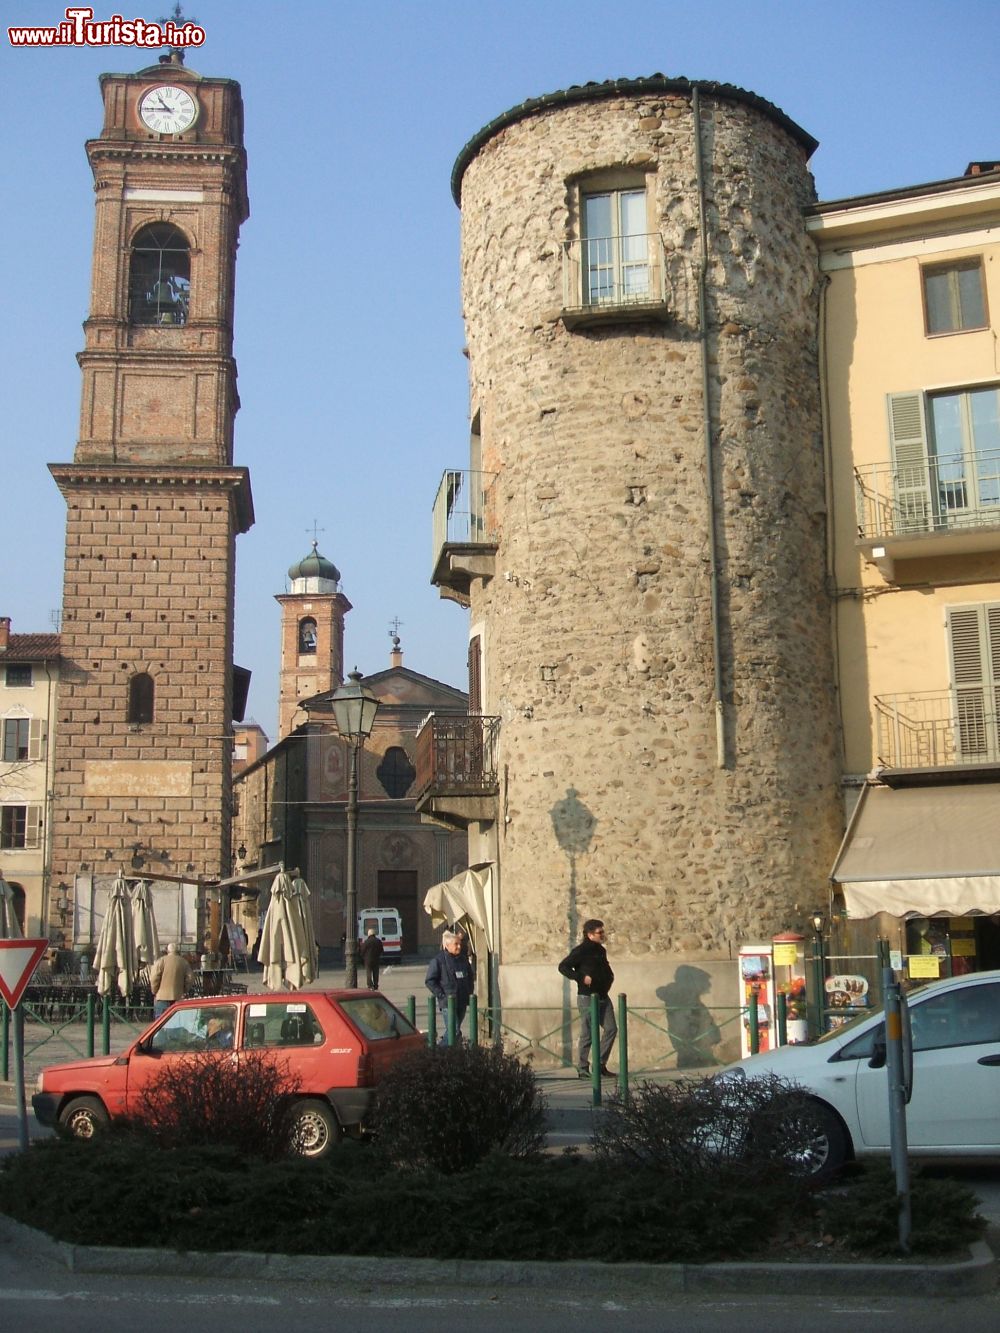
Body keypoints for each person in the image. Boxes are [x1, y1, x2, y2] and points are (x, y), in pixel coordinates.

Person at [558, 918, 617, 1078]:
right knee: (588, 1033)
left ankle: (600, 1064)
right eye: (599, 932)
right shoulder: (581, 951)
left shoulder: (601, 950)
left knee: (611, 1029)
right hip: (587, 997)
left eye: (602, 932)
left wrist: (609, 977)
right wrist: (581, 977)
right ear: (590, 934)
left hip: (603, 995)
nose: (602, 935)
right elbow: (563, 967)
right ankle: (583, 1067)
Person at [425, 929, 476, 1042]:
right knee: (455, 1031)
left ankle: (448, 1054)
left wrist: (469, 992)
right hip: (448, 1003)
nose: (459, 946)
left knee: (453, 1032)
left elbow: (470, 977)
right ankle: (440, 1052)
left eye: (460, 944)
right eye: (456, 944)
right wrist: (441, 995)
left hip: (462, 1001)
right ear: (447, 946)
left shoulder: (463, 959)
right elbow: (430, 980)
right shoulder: (438, 960)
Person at [148, 942, 194, 1018]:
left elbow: (154, 978)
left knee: (161, 1023)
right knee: (176, 1022)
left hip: (162, 996)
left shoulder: (161, 961)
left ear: (167, 951)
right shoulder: (184, 962)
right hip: (178, 996)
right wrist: (185, 989)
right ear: (178, 951)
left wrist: (154, 991)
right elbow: (190, 978)